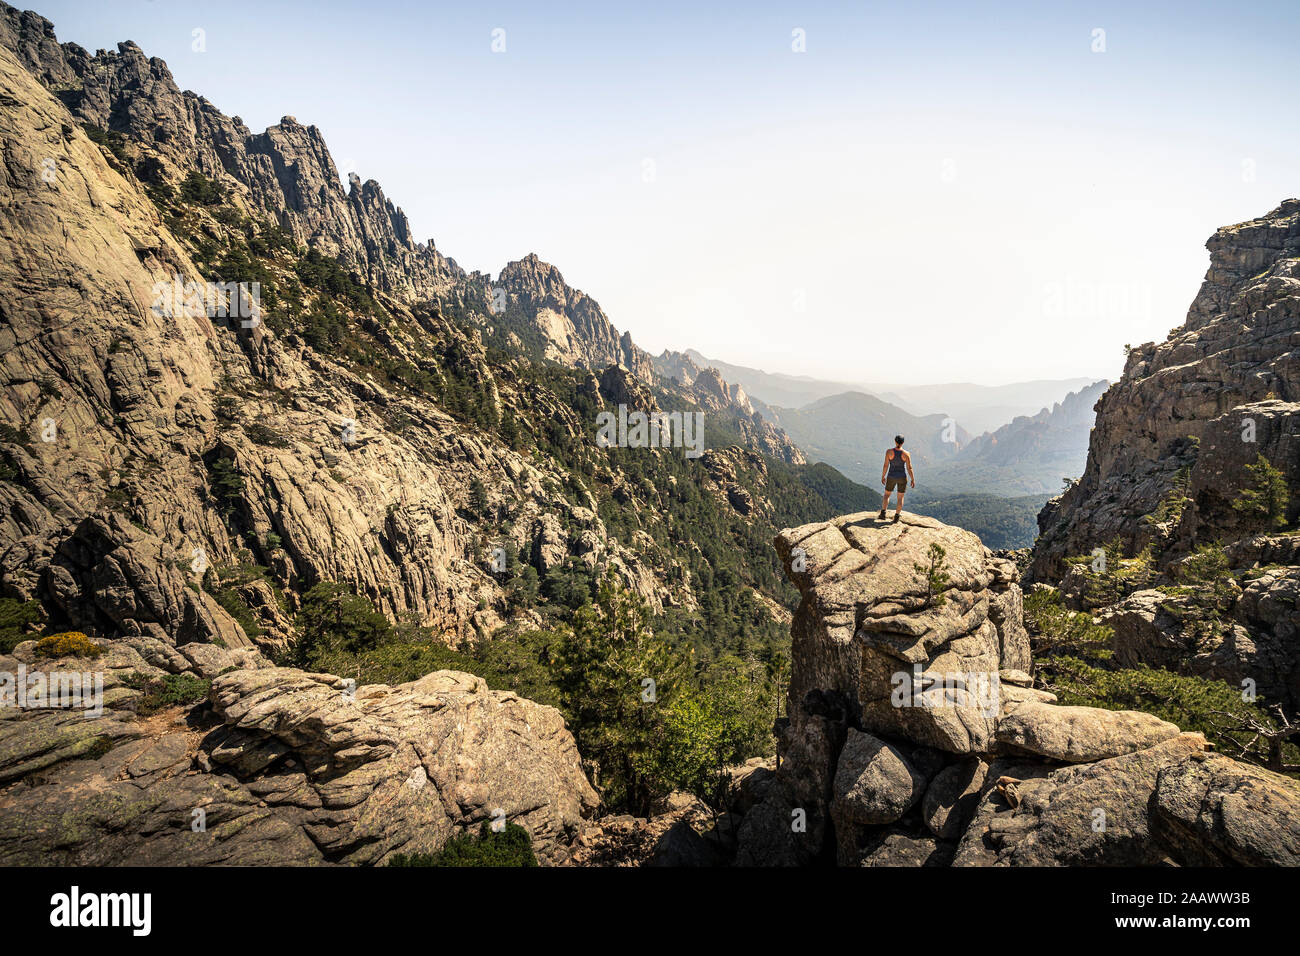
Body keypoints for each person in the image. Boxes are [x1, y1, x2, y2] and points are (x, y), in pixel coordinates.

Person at [878, 435, 914, 522]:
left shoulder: (889, 452)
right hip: (902, 477)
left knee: (887, 495)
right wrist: (912, 479)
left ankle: (883, 514)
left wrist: (883, 476)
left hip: (891, 476)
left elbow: (886, 465)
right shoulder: (906, 454)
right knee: (900, 498)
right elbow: (909, 468)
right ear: (903, 442)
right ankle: (897, 516)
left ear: (895, 441)